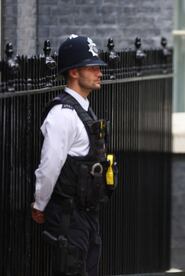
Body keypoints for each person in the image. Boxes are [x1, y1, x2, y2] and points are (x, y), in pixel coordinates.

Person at [31, 34, 116, 276]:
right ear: (74, 73)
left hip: (87, 215)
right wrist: (40, 204)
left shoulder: (84, 110)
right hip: (69, 216)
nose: (99, 73)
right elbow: (49, 166)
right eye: (92, 67)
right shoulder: (63, 114)